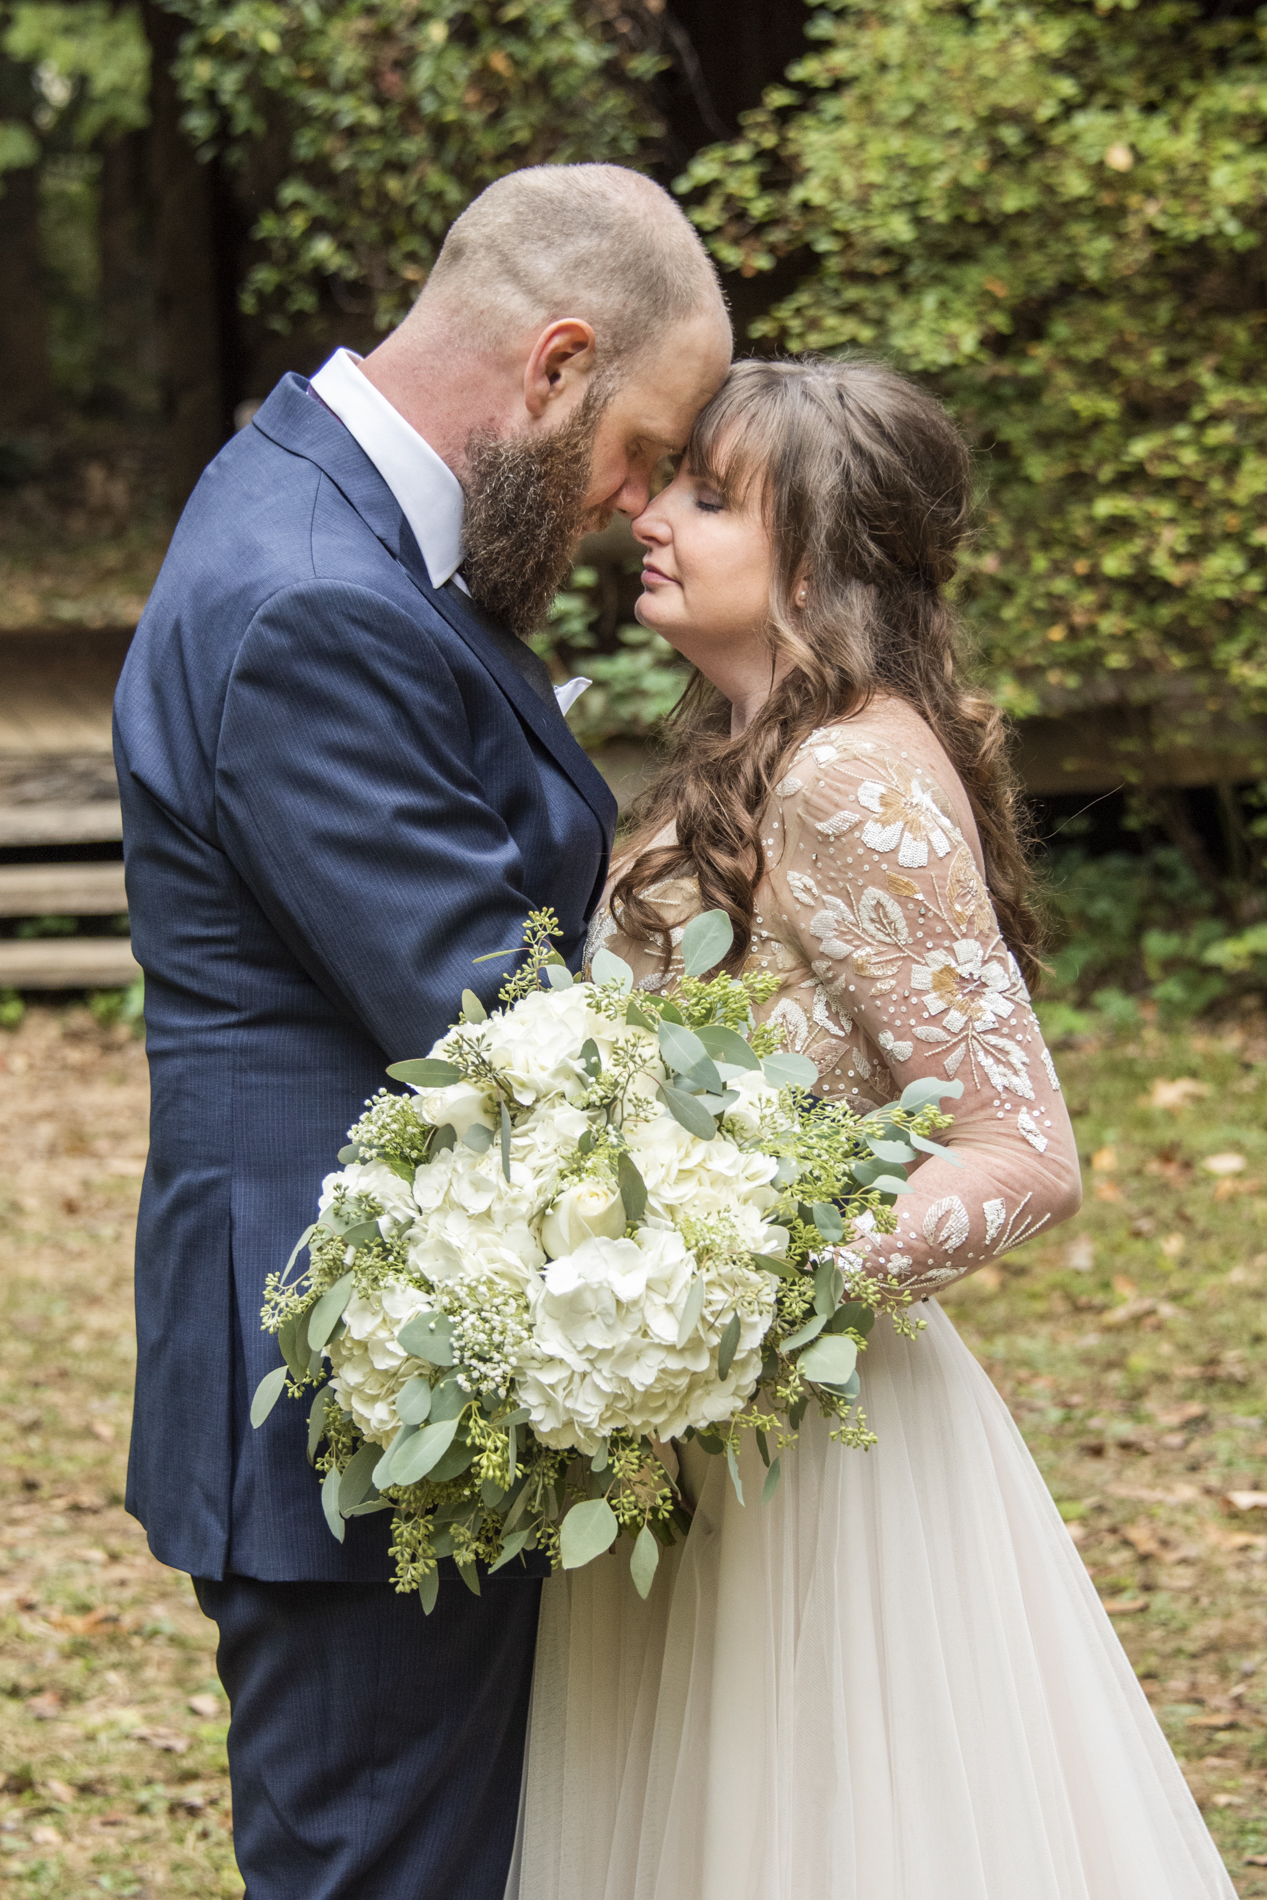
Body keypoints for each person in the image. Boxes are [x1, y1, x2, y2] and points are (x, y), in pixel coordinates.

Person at [507, 358, 1237, 1900]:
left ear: (821, 561)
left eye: (710, 498)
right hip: (697, 1421)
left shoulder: (849, 776)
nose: (650, 514)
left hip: (808, 1442)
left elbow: (1024, 1155)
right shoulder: (750, 754)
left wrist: (750, 1293)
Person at [113, 162, 731, 1900]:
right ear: (553, 364)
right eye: (637, 447)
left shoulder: (343, 522)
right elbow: (492, 1023)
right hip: (356, 1396)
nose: (630, 506)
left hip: (410, 1361)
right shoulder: (314, 592)